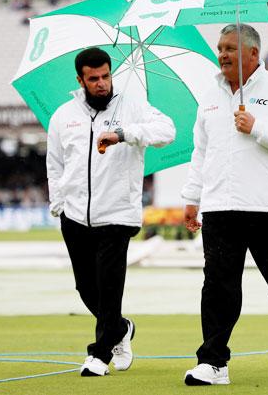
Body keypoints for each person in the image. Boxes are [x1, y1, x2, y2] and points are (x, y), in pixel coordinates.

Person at [181, 24, 268, 385]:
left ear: (254, 53)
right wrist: (192, 197)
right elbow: (201, 152)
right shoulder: (209, 95)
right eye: (220, 47)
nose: (222, 54)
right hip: (219, 206)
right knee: (217, 285)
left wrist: (257, 126)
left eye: (230, 48)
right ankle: (213, 362)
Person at [46, 47, 175, 377]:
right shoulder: (63, 115)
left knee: (109, 285)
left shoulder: (132, 104)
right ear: (81, 79)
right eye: (94, 78)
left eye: (105, 76)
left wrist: (123, 134)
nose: (102, 83)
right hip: (74, 215)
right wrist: (58, 201)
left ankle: (99, 354)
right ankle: (120, 328)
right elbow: (55, 163)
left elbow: (166, 131)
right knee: (87, 289)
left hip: (118, 213)